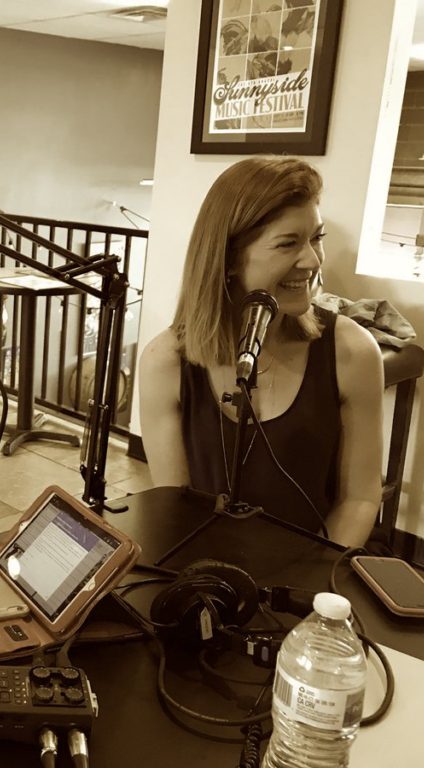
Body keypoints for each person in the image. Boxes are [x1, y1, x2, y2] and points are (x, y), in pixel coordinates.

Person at [139, 156, 383, 548]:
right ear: (229, 258)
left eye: (316, 238)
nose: (313, 260)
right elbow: (174, 507)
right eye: (289, 244)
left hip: (308, 577)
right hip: (203, 573)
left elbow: (360, 498)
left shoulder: (352, 352)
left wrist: (311, 585)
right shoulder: (165, 360)